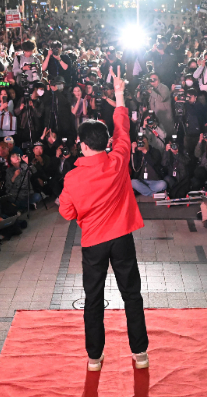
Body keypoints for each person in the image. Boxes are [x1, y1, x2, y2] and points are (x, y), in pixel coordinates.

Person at [59, 68, 149, 372]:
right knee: (132, 294)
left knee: (93, 299)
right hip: (122, 237)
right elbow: (123, 130)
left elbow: (67, 213)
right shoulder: (118, 159)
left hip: (93, 244)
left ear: (83, 144)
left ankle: (95, 358)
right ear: (105, 142)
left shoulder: (72, 177)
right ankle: (140, 353)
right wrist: (120, 95)